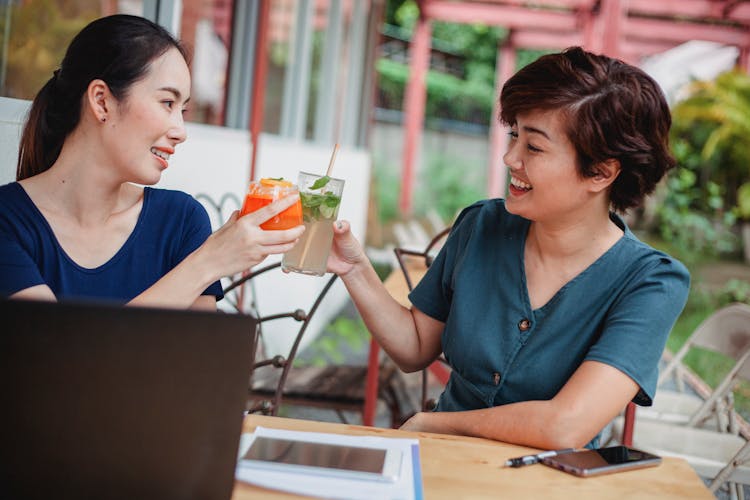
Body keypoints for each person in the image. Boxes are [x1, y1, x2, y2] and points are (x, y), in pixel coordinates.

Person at [329, 47, 690, 449]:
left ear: (601, 172)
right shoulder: (481, 225)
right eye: (514, 134)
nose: (509, 157)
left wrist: (437, 426)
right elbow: (414, 347)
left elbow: (565, 427)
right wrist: (354, 267)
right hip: (441, 466)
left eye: (533, 148)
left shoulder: (651, 282)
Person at [0, 14, 303, 309]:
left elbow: (199, 358)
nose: (181, 133)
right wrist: (207, 263)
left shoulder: (181, 222)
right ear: (102, 101)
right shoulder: (7, 220)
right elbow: (58, 355)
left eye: (182, 110)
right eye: (167, 103)